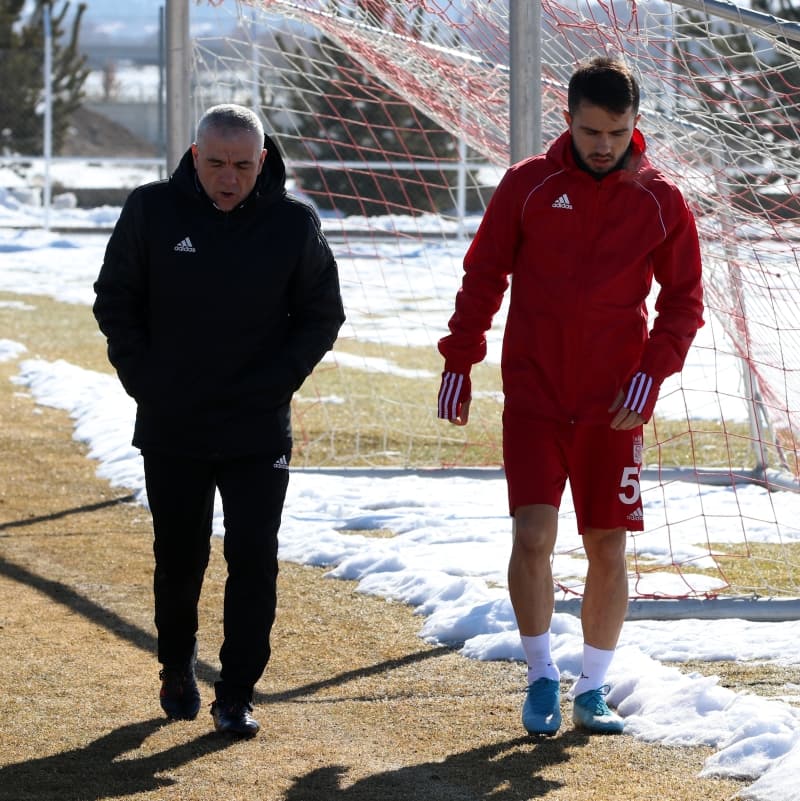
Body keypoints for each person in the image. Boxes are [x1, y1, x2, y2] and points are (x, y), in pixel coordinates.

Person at [437, 57, 703, 736]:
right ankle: (540, 677)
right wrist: (460, 357)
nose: (603, 145)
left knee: (606, 544)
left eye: (616, 131)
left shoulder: (662, 200)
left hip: (614, 405)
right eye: (590, 131)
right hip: (536, 394)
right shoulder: (527, 185)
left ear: (635, 123)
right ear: (568, 120)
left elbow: (683, 303)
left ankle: (592, 687)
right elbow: (484, 273)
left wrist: (651, 374)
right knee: (532, 533)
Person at [93, 104, 345, 737]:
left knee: (254, 558)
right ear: (193, 156)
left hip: (257, 427)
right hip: (172, 422)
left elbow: (323, 313)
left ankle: (236, 694)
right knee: (180, 557)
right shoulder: (151, 210)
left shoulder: (293, 223)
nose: (228, 178)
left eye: (241, 166)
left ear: (262, 161)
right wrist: (147, 382)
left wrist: (277, 381)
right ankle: (176, 665)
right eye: (215, 164)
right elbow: (115, 300)